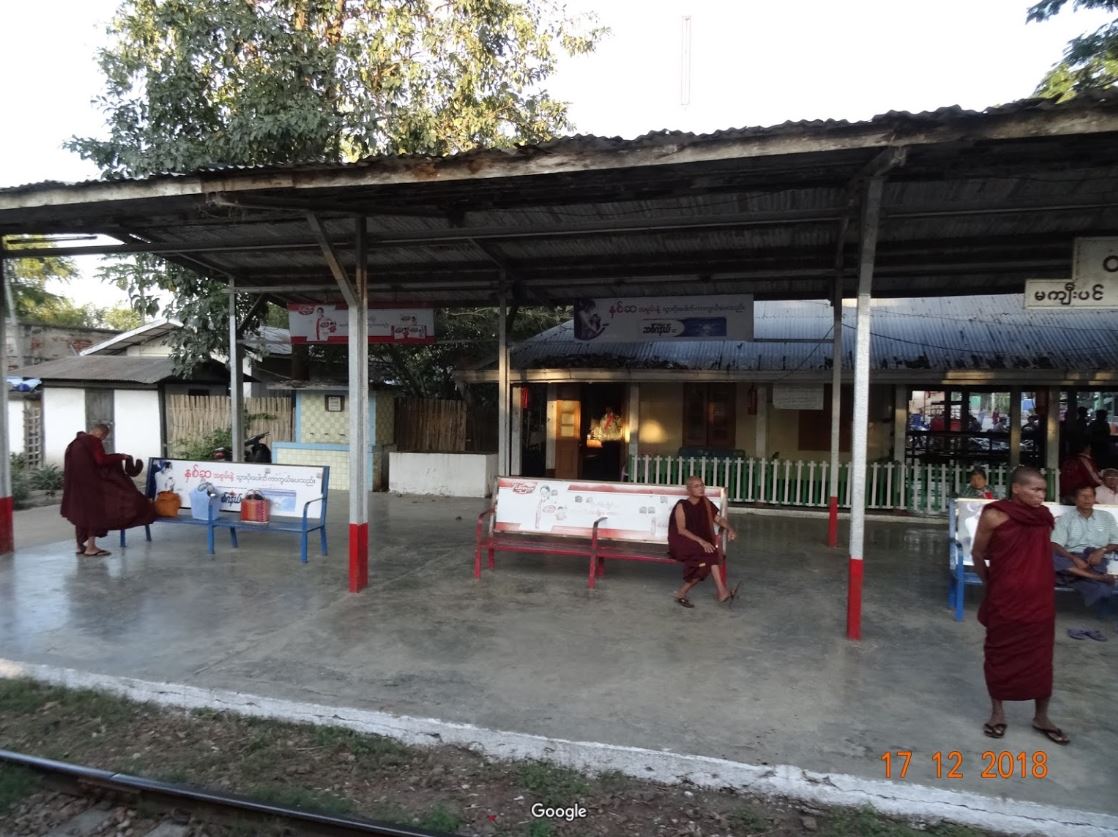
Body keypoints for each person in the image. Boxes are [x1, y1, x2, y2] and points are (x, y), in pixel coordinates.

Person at [970, 467, 1067, 745]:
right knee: (999, 654)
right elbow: (978, 552)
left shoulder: (1043, 517)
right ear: (1016, 488)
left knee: (1041, 659)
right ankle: (997, 713)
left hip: (1040, 599)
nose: (1041, 496)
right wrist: (991, 583)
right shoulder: (995, 514)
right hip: (1005, 598)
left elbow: (1039, 552)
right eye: (1035, 490)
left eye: (1043, 491)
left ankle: (1041, 716)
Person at [61, 423, 157, 557]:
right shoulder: (93, 441)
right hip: (91, 485)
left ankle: (79, 545)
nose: (102, 440)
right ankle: (91, 548)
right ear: (101, 434)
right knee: (94, 514)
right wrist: (120, 456)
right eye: (103, 437)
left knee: (82, 514)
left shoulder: (75, 443)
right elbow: (100, 460)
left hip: (76, 485)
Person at [668, 475, 739, 608]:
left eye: (702, 485)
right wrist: (702, 541)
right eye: (696, 486)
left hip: (698, 543)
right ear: (689, 490)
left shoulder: (705, 503)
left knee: (708, 558)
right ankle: (720, 592)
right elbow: (681, 530)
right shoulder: (682, 505)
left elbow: (718, 519)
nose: (701, 488)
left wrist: (730, 529)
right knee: (710, 555)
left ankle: (718, 592)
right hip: (682, 542)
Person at [1050, 486, 1118, 619]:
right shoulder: (1066, 518)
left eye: (1090, 496)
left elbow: (1116, 541)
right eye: (1083, 496)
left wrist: (1102, 550)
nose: (1087, 499)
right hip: (1072, 558)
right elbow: (1055, 544)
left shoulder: (1106, 517)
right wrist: (1073, 558)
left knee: (1065, 575)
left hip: (1095, 559)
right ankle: (1097, 578)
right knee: (1049, 556)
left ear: (1095, 498)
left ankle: (1076, 577)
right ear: (1075, 499)